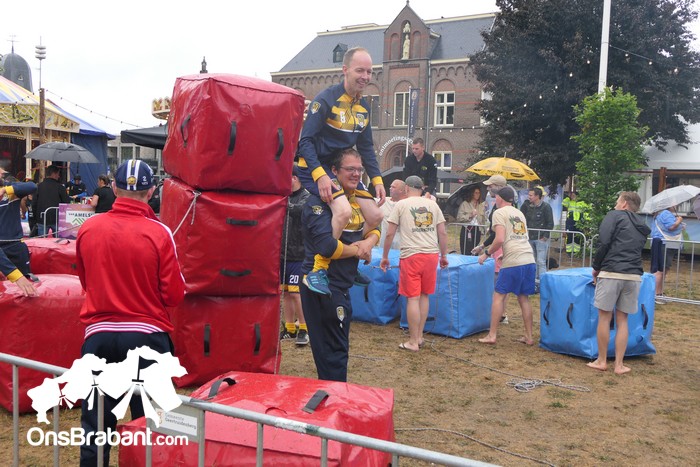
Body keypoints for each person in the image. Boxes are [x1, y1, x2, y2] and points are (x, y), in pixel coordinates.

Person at [76, 159, 185, 466]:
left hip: (99, 335)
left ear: (114, 188)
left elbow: (85, 282)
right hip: (146, 336)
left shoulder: (89, 228)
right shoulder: (159, 232)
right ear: (151, 192)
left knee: (95, 428)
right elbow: (174, 294)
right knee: (151, 428)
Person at [296, 46, 385, 296]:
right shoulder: (325, 100)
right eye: (360, 70)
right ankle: (319, 269)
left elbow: (366, 146)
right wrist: (321, 176)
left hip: (342, 168)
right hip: (315, 168)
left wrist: (377, 179)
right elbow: (305, 142)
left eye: (369, 72)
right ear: (345, 70)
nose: (365, 77)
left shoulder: (364, 107)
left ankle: (349, 261)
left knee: (376, 215)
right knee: (344, 211)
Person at [300, 148, 380, 382]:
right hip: (323, 286)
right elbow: (326, 246)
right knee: (332, 353)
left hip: (342, 284)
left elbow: (374, 227)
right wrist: (358, 250)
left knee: (338, 349)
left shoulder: (355, 200)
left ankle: (333, 395)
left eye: (359, 169)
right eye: (350, 169)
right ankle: (333, 397)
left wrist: (369, 242)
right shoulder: (318, 203)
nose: (356, 174)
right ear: (333, 171)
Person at [380, 175, 449, 352]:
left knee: (412, 298)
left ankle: (412, 341)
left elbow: (389, 233)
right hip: (431, 254)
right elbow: (442, 232)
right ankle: (419, 336)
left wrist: (385, 256)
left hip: (411, 255)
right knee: (424, 295)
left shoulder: (401, 205)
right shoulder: (433, 205)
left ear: (406, 189)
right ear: (422, 188)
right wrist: (444, 255)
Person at [587, 192, 650, 375]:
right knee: (623, 320)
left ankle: (601, 360)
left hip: (612, 272)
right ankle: (619, 364)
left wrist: (596, 267)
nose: (615, 205)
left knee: (604, 317)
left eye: (617, 202)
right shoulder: (642, 225)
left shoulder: (614, 216)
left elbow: (604, 242)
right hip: (633, 275)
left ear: (624, 204)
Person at [477, 187, 536, 345]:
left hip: (513, 262)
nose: (494, 199)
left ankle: (492, 335)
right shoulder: (519, 213)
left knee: (498, 296)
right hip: (528, 258)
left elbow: (500, 239)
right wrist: (505, 254)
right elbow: (519, 237)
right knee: (524, 298)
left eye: (496, 197)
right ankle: (529, 336)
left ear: (500, 198)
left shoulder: (499, 213)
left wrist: (486, 254)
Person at [472, 174, 517, 323]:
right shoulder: (501, 207)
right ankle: (501, 313)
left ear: (498, 188)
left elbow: (498, 236)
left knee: (499, 283)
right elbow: (494, 233)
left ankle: (500, 315)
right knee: (500, 282)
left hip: (502, 248)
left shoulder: (502, 209)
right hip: (501, 247)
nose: (488, 189)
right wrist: (483, 245)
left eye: (490, 186)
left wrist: (485, 251)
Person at [280, 164, 311, 345]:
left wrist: (281, 203)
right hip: (283, 255)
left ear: (294, 178)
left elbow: (297, 210)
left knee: (296, 293)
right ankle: (290, 328)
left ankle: (304, 329)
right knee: (285, 293)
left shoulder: (307, 197)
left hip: (299, 254)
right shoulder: (285, 197)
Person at [0, 167, 38, 297]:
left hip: (15, 246)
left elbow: (32, 186)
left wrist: (6, 190)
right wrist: (16, 276)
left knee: (26, 289)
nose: (2, 173)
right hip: (2, 248)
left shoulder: (10, 188)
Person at [520, 187, 554, 288]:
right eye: (529, 195)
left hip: (541, 238)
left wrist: (545, 236)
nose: (529, 197)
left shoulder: (546, 207)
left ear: (537, 196)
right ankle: (533, 281)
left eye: (531, 195)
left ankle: (542, 283)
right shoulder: (527, 206)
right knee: (532, 260)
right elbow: (521, 217)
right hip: (530, 237)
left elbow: (550, 223)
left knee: (541, 261)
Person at [650, 205, 684, 302]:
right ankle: (657, 294)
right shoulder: (666, 213)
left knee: (663, 270)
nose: (676, 205)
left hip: (662, 243)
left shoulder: (661, 214)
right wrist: (679, 221)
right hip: (664, 244)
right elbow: (671, 227)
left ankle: (659, 293)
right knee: (661, 270)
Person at [33, 164, 69, 237]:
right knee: (59, 241)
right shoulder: (60, 187)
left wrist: (35, 218)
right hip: (57, 219)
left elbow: (34, 203)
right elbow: (66, 203)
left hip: (42, 218)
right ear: (53, 174)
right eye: (58, 174)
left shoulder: (39, 187)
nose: (59, 176)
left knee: (42, 242)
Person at [456, 186, 488, 255]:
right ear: (472, 193)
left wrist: (484, 230)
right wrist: (470, 215)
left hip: (477, 230)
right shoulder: (465, 204)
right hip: (467, 229)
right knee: (466, 250)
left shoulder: (481, 205)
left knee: (476, 250)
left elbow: (483, 219)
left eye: (479, 193)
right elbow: (459, 217)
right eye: (476, 193)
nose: (478, 194)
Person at [379, 179, 408, 250]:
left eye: (393, 187)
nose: (390, 188)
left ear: (401, 190)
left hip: (401, 244)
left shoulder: (408, 204)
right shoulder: (383, 201)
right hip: (384, 244)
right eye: (390, 186)